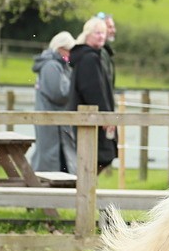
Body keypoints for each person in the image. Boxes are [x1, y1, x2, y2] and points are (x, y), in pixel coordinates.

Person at [68, 17, 117, 173]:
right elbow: (91, 89)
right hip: (92, 117)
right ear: (88, 34)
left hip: (94, 116)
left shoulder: (94, 56)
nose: (101, 36)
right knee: (96, 156)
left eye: (103, 33)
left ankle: (86, 189)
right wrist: (104, 115)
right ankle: (83, 191)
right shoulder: (89, 58)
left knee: (98, 157)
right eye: (97, 33)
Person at [31, 31, 77, 173]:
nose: (71, 55)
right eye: (70, 51)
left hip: (58, 124)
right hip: (52, 124)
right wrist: (76, 86)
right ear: (61, 49)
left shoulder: (60, 66)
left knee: (59, 158)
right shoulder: (51, 66)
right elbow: (59, 94)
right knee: (50, 159)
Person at [96, 12, 116, 90]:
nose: (114, 30)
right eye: (110, 27)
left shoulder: (106, 51)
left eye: (113, 27)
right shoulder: (99, 52)